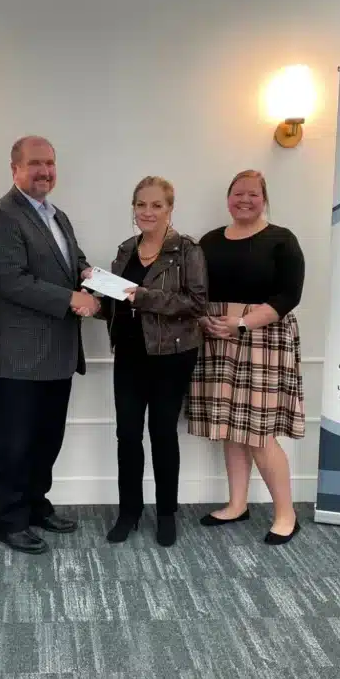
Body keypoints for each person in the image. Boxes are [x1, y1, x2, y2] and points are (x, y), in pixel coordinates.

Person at [0, 135, 100, 555]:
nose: (44, 171)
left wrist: (91, 277)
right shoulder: (0, 216)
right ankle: (9, 521)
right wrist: (71, 298)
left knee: (47, 439)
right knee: (13, 444)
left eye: (50, 162)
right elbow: (11, 279)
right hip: (15, 358)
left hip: (57, 354)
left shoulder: (57, 215)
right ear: (14, 168)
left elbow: (74, 263)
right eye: (35, 163)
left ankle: (35, 505)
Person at [188, 169, 305, 545]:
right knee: (231, 426)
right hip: (217, 337)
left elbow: (289, 297)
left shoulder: (282, 240)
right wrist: (206, 318)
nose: (245, 200)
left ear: (264, 199)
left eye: (253, 194)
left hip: (262, 336)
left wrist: (241, 323)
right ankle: (237, 503)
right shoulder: (209, 241)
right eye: (238, 193)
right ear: (228, 198)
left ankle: (286, 514)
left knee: (258, 432)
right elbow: (196, 289)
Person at [98, 176, 207, 547]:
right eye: (141, 204)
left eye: (156, 205)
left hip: (172, 356)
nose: (147, 211)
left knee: (161, 434)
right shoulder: (126, 249)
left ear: (170, 208)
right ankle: (129, 511)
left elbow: (196, 304)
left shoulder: (188, 250)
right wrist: (93, 299)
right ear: (134, 208)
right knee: (127, 435)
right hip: (129, 354)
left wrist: (144, 296)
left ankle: (165, 513)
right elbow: (120, 301)